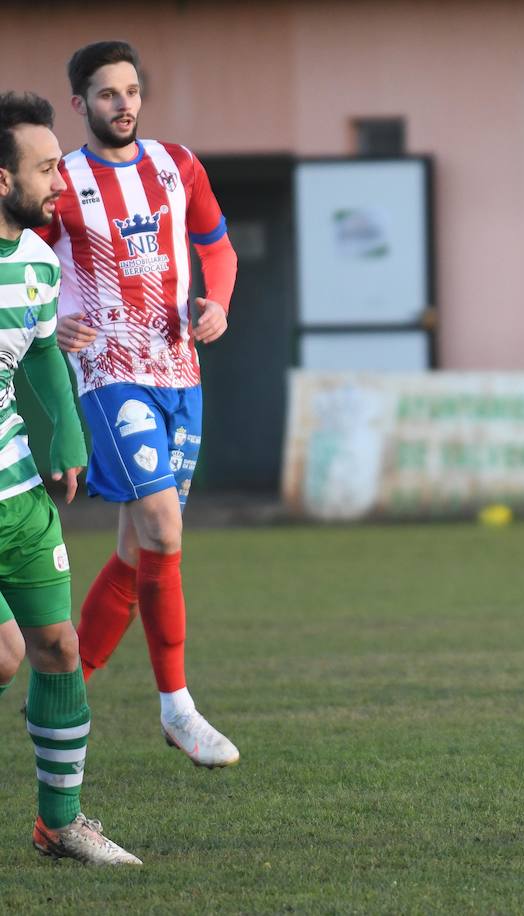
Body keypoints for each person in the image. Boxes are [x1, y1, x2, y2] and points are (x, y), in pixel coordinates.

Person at [37, 40, 241, 767]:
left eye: (130, 91)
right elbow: (20, 262)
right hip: (107, 372)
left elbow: (217, 247)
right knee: (161, 524)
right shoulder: (60, 182)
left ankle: (64, 688)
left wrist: (214, 303)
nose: (122, 105)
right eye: (105, 94)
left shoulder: (177, 165)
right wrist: (49, 318)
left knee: (137, 549)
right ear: (79, 105)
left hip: (179, 372)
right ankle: (177, 707)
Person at [0, 91, 140, 865]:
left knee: (56, 645)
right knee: (3, 653)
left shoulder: (39, 263)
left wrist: (69, 435)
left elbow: (47, 354)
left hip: (20, 499)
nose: (63, 182)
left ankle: (60, 825)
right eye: (47, 167)